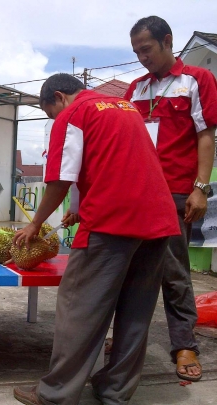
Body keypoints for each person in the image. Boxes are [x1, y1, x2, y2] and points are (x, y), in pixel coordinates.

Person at [11, 73, 180, 405]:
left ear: (58, 97)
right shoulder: (125, 107)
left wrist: (35, 224)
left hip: (112, 222)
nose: (54, 121)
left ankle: (56, 393)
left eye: (50, 114)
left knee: (79, 307)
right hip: (159, 222)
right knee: (135, 313)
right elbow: (113, 164)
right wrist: (80, 207)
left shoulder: (73, 113)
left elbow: (59, 180)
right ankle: (114, 392)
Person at [125, 15, 217, 383]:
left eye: (146, 49)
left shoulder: (197, 80)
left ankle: (184, 345)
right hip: (136, 194)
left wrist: (201, 187)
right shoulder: (134, 88)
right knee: (131, 270)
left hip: (176, 192)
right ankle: (130, 340)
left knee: (174, 272)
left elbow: (206, 137)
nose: (142, 57)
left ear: (167, 41)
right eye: (136, 52)